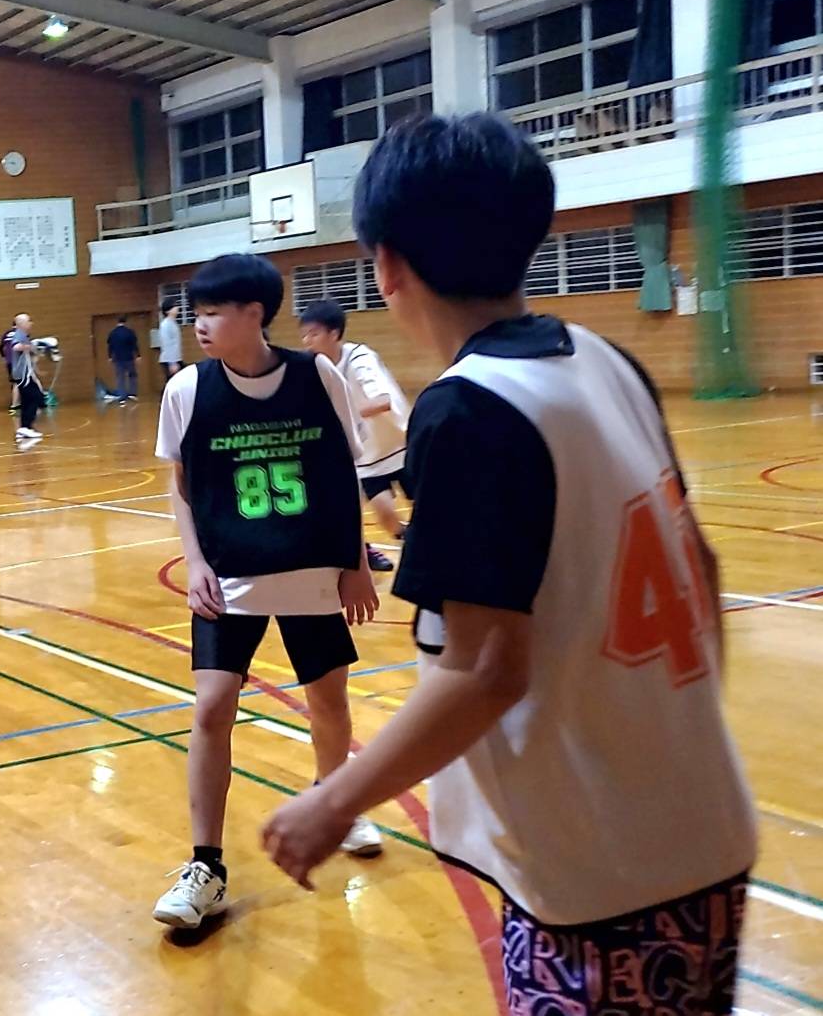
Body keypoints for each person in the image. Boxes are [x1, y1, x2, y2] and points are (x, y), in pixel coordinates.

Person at [262, 115, 757, 1015]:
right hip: (703, 828)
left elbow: (487, 667)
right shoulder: (607, 360)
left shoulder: (467, 410)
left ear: (387, 265)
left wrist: (334, 801)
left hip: (602, 874)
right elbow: (707, 569)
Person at [152, 253, 383, 932]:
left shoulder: (317, 375)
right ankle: (205, 867)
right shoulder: (187, 389)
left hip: (311, 567)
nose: (199, 325)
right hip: (227, 574)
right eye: (196, 313)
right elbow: (182, 487)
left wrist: (356, 562)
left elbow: (341, 471)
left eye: (212, 312)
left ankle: (335, 802)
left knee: (329, 700)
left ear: (254, 313)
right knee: (211, 707)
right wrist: (195, 561)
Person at [300, 299, 411, 573]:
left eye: (313, 334)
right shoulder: (316, 369)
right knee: (387, 518)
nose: (307, 341)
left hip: (401, 445)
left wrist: (339, 414)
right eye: (304, 335)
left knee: (435, 509)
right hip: (367, 456)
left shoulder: (360, 359)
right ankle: (407, 542)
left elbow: (383, 401)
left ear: (334, 333)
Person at [10, 313, 46, 442]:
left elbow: (28, 357)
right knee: (35, 397)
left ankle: (24, 428)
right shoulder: (19, 335)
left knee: (28, 400)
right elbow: (15, 347)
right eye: (29, 321)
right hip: (22, 375)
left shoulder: (25, 336)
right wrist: (30, 346)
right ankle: (26, 426)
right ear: (22, 324)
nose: (31, 323)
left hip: (26, 374)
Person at [107, 314, 140, 404]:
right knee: (132, 375)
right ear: (126, 321)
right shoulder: (130, 332)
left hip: (118, 358)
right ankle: (132, 393)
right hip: (129, 358)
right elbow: (134, 344)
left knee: (120, 377)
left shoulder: (113, 333)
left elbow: (110, 346)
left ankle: (122, 397)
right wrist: (138, 355)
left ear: (117, 322)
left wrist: (110, 356)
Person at [159, 298, 183, 382]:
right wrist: (172, 363)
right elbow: (166, 344)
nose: (177, 308)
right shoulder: (165, 324)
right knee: (172, 383)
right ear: (168, 311)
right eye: (174, 306)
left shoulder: (173, 323)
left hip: (176, 358)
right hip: (169, 360)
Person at [0, 322, 19, 412]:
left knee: (15, 382)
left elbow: (1, 347)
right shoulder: (21, 334)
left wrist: (5, 357)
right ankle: (14, 405)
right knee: (18, 382)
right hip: (18, 361)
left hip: (9, 362)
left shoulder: (6, 334)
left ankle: (17, 403)